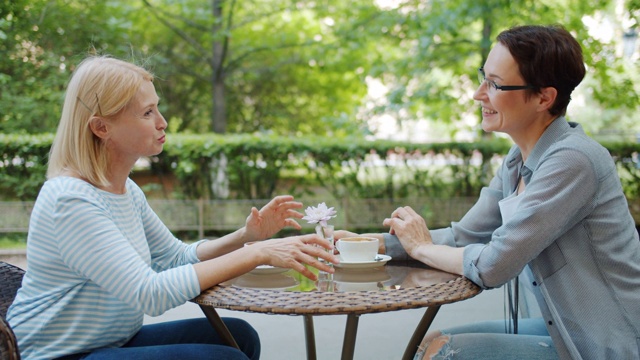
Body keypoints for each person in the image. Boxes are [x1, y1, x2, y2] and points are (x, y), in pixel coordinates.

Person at [337, 25, 640, 359]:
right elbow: (465, 236)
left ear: (544, 97)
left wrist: (421, 247)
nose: (479, 93)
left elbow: (494, 265)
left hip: (607, 344)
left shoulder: (573, 161)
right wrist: (367, 244)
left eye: (495, 84)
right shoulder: (517, 161)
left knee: (445, 353)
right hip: (564, 326)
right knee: (431, 342)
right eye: (484, 77)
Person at [6, 55, 338, 360]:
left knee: (238, 337)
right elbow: (150, 293)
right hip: (54, 354)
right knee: (227, 358)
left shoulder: (126, 191)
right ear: (101, 127)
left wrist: (245, 236)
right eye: (147, 113)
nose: (162, 122)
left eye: (157, 109)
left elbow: (174, 258)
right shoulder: (71, 200)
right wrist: (259, 252)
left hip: (110, 341)